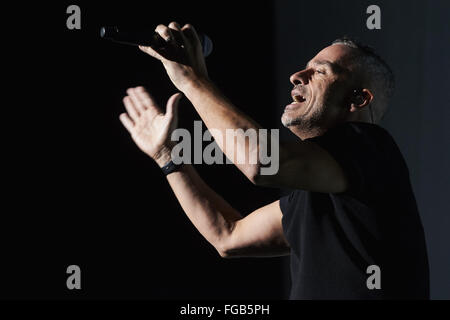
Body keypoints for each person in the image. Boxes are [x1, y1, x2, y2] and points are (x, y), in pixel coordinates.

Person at [118, 22, 429, 299]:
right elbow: (228, 235)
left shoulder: (371, 148)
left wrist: (192, 81)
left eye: (320, 71)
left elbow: (260, 162)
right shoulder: (315, 192)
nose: (297, 76)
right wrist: (168, 157)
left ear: (358, 100)